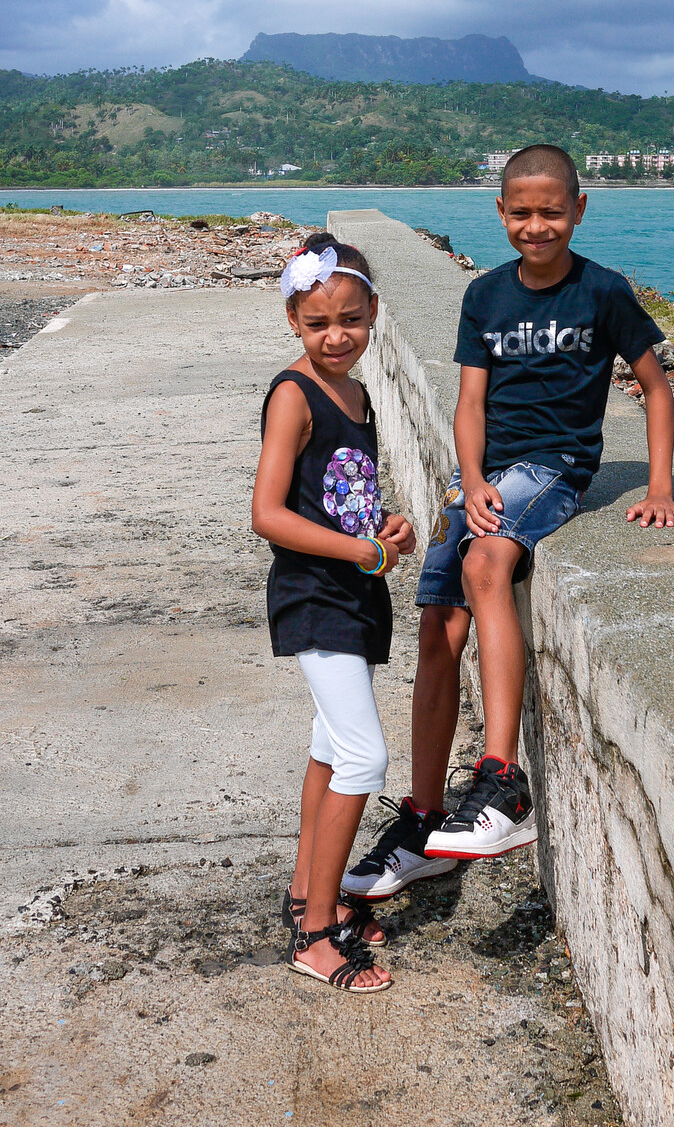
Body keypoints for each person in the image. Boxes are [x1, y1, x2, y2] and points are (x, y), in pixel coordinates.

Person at [342, 144, 674, 897]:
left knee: (485, 564)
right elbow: (468, 404)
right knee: (437, 624)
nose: (537, 226)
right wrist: (467, 480)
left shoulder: (602, 292)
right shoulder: (486, 297)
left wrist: (660, 486)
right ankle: (426, 823)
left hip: (554, 468)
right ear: (500, 214)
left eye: (551, 212)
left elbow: (655, 390)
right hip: (487, 474)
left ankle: (503, 786)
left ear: (579, 210)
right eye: (521, 213)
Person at [252, 232, 416, 993]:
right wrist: (354, 555)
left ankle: (304, 898)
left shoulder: (355, 392)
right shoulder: (294, 395)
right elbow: (268, 514)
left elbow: (349, 498)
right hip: (314, 597)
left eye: (350, 319)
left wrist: (390, 531)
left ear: (373, 311)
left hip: (353, 594)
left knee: (329, 749)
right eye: (319, 324)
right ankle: (317, 936)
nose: (336, 335)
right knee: (364, 758)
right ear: (293, 320)